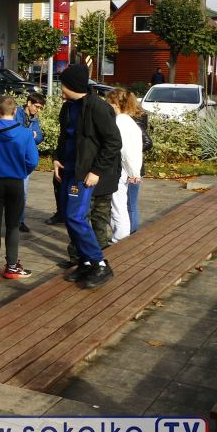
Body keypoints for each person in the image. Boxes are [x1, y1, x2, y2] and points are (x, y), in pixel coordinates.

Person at [54, 64, 122, 289]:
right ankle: (85, 262)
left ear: (72, 85)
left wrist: (96, 171)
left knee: (76, 216)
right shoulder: (68, 107)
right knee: (68, 216)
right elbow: (64, 136)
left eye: (63, 84)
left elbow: (113, 142)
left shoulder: (98, 108)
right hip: (69, 170)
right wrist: (57, 158)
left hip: (85, 173)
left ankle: (100, 264)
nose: (60, 88)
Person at [0, 96, 39, 280]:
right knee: (13, 225)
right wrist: (22, 171)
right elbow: (33, 160)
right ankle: (12, 266)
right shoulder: (25, 133)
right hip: (15, 182)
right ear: (15, 112)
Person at [106, 89, 143, 243]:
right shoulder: (129, 121)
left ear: (115, 103)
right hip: (127, 169)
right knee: (119, 205)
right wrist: (134, 171)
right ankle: (120, 237)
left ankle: (119, 238)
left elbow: (126, 150)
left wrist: (133, 172)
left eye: (109, 103)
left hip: (121, 169)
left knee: (118, 206)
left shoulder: (120, 122)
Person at [14, 92, 46, 234]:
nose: (38, 110)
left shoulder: (34, 119)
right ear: (29, 103)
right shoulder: (17, 113)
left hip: (25, 159)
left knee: (23, 192)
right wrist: (29, 134)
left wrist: (31, 135)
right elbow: (16, 133)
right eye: (37, 106)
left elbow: (39, 137)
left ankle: (19, 221)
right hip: (14, 158)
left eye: (40, 108)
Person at [130, 105, 152, 233]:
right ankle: (130, 231)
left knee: (130, 203)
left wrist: (133, 150)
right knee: (129, 203)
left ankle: (131, 232)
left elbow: (148, 142)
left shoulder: (135, 122)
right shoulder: (134, 120)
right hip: (134, 166)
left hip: (134, 167)